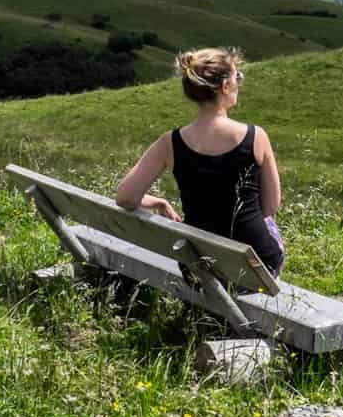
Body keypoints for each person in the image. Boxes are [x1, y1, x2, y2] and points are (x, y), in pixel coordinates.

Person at [115, 46, 285, 275]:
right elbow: (270, 207)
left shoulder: (170, 142)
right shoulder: (256, 137)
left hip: (198, 269)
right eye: (238, 77)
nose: (239, 82)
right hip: (257, 270)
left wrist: (158, 203)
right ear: (225, 86)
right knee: (269, 226)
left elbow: (125, 197)